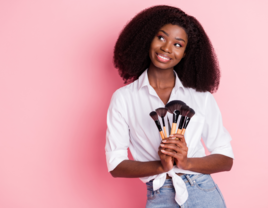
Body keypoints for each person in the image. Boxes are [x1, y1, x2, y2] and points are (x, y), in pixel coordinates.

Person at [105, 5, 234, 208]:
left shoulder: (200, 97)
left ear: (185, 53)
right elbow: (115, 165)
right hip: (160, 195)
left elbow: (226, 158)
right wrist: (161, 165)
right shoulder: (124, 99)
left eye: (178, 44)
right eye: (161, 38)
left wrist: (187, 162)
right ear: (147, 38)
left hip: (203, 192)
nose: (167, 48)